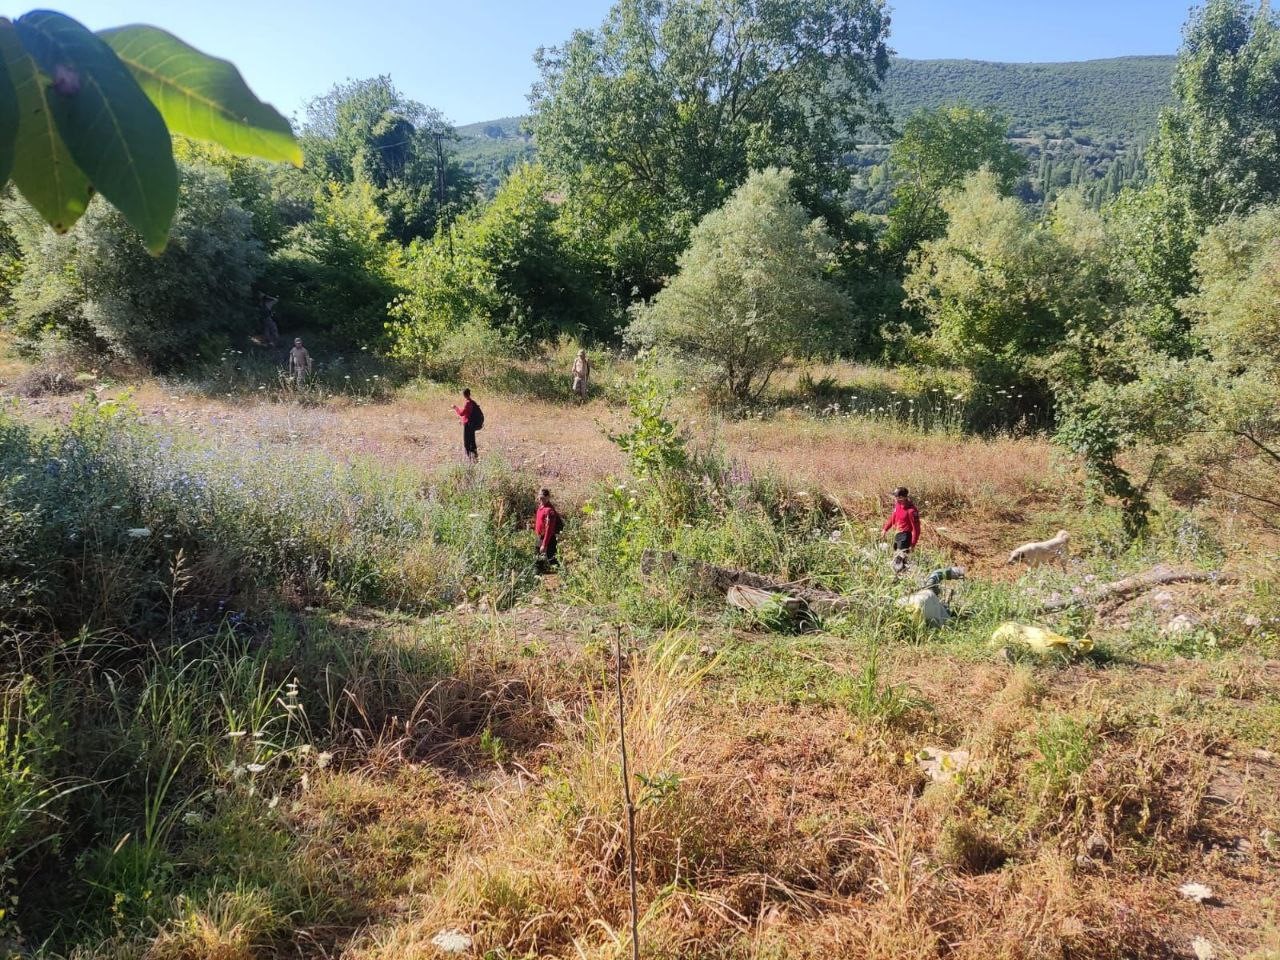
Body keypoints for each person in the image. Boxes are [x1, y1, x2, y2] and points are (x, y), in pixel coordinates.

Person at [882, 486, 921, 555]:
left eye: (896, 496)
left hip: (905, 537)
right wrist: (885, 529)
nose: (894, 498)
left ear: (902, 497)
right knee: (895, 556)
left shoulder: (911, 511)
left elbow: (916, 529)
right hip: (897, 534)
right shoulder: (898, 505)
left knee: (900, 559)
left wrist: (913, 544)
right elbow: (893, 518)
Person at [534, 488, 563, 569]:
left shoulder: (549, 511)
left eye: (542, 497)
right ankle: (538, 577)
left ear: (548, 497)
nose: (540, 499)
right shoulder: (541, 507)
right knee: (538, 559)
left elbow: (549, 529)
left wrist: (544, 544)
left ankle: (563, 576)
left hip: (549, 537)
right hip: (539, 537)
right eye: (539, 497)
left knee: (552, 559)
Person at [452, 388, 480, 463]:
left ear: (464, 395)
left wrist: (455, 408)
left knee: (467, 442)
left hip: (468, 425)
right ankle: (476, 458)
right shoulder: (473, 402)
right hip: (473, 424)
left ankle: (470, 460)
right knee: (472, 441)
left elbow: (461, 413)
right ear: (469, 394)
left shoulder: (468, 403)